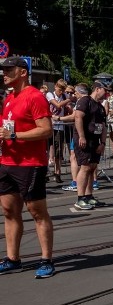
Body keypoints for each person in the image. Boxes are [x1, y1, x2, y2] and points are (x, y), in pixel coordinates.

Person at [0, 57, 56, 279]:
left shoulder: (35, 96)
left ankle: (46, 260)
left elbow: (46, 130)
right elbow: (7, 127)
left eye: (8, 69)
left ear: (22, 72)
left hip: (30, 164)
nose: (4, 73)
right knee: (9, 212)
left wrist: (14, 135)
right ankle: (13, 259)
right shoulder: (9, 98)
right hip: (7, 163)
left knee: (37, 212)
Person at [73, 82, 108, 210]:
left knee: (92, 167)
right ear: (97, 89)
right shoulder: (85, 101)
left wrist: (103, 143)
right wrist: (82, 136)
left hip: (95, 141)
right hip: (85, 140)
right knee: (85, 167)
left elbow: (103, 127)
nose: (107, 93)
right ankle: (80, 198)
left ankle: (89, 196)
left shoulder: (100, 107)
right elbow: (78, 117)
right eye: (105, 90)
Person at [46, 80, 73, 183]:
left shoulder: (65, 96)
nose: (61, 92)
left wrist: (69, 106)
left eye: (63, 90)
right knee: (46, 150)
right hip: (49, 125)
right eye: (60, 89)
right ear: (56, 86)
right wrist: (68, 100)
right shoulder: (50, 94)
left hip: (59, 127)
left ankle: (58, 173)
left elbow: (69, 109)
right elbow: (57, 105)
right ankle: (46, 171)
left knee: (58, 151)